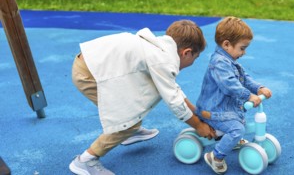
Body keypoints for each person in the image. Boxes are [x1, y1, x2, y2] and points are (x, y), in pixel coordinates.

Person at [69, 20, 216, 175]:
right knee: (127, 122)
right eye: (195, 57)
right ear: (186, 53)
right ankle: (85, 160)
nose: (193, 62)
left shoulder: (160, 48)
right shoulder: (164, 61)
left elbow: (172, 90)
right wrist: (198, 126)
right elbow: (173, 101)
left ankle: (126, 131)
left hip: (93, 65)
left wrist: (197, 112)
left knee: (131, 112)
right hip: (90, 74)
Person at [195, 16, 272, 174]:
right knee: (237, 129)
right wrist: (249, 96)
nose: (244, 52)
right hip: (213, 111)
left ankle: (230, 140)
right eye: (242, 48)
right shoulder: (219, 63)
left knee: (240, 122)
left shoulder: (231, 60)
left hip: (226, 108)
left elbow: (244, 78)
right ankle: (215, 156)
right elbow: (230, 85)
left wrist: (259, 88)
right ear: (226, 44)